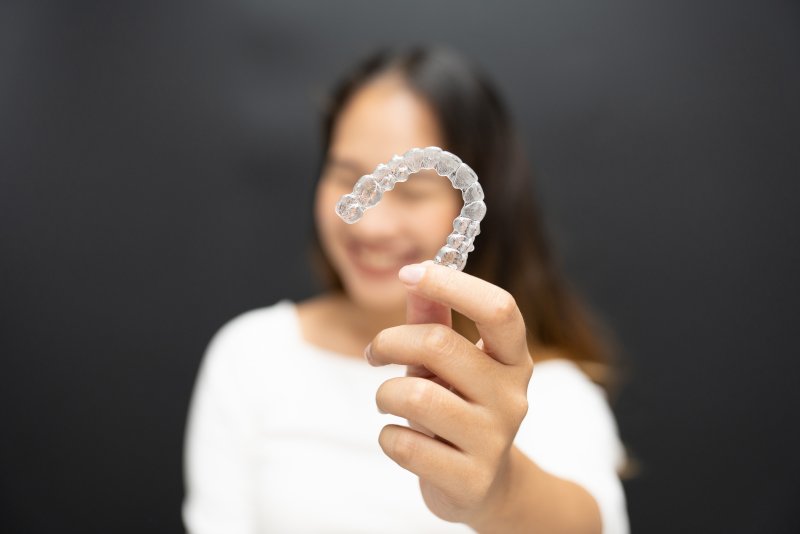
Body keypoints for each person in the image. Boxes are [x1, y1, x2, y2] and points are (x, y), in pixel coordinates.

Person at [183, 47, 629, 534]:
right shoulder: (250, 355)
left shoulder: (556, 394)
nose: (371, 227)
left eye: (414, 193)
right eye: (346, 176)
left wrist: (497, 492)